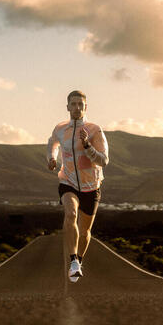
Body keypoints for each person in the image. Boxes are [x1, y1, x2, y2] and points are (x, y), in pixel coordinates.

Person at [46, 90, 109, 282]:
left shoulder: (94, 130)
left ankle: (78, 261)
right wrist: (51, 158)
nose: (77, 108)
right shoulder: (60, 128)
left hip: (91, 185)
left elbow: (104, 160)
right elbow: (52, 143)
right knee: (71, 214)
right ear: (67, 107)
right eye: (73, 104)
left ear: (85, 107)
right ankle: (73, 259)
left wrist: (87, 145)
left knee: (85, 231)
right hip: (68, 181)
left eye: (80, 104)